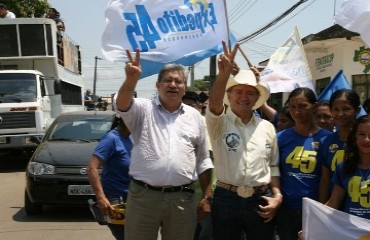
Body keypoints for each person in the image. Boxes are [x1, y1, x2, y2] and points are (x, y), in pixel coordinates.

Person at [115, 49, 214, 240]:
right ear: (158, 85)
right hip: (143, 197)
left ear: (185, 88)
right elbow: (122, 104)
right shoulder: (143, 109)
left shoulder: (195, 117)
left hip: (182, 200)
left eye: (178, 81)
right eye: (168, 80)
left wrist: (207, 197)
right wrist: (131, 79)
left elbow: (203, 160)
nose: (173, 85)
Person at [206, 42, 282, 240]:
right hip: (226, 199)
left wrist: (277, 196)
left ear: (256, 98)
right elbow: (214, 104)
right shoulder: (219, 123)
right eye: (238, 92)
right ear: (229, 96)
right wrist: (224, 74)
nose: (243, 97)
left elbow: (273, 166)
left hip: (260, 199)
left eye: (250, 93)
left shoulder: (267, 127)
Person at [276, 87, 331, 240]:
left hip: (314, 210)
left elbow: (327, 179)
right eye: (293, 107)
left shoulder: (327, 139)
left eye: (302, 106)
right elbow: (274, 171)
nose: (296, 111)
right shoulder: (279, 138)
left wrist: (321, 210)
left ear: (314, 106)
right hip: (286, 210)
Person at [87, 114, 132, 240]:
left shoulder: (132, 137)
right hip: (116, 200)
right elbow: (92, 168)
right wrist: (101, 197)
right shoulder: (111, 139)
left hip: (133, 198)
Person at [318, 89, 361, 203]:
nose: (340, 114)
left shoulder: (365, 141)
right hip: (334, 206)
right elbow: (325, 179)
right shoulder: (325, 142)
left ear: (357, 110)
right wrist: (322, 209)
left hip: (360, 207)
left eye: (346, 109)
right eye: (336, 109)